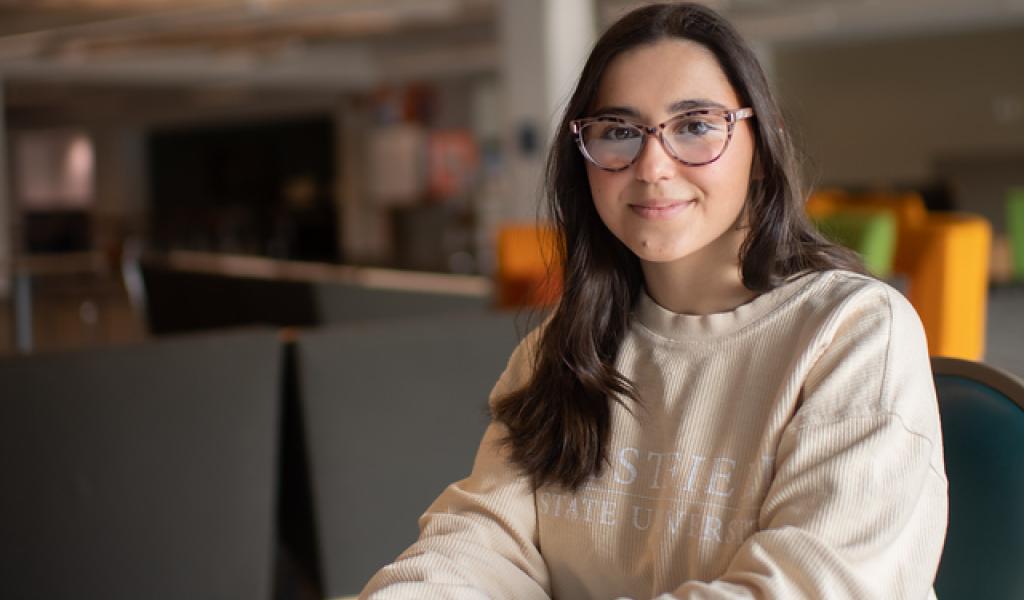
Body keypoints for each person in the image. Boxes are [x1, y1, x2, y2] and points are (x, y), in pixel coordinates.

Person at [361, 2, 948, 598]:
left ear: (761, 149)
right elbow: (481, 546)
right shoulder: (561, 350)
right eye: (618, 131)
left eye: (694, 125)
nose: (652, 166)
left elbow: (814, 587)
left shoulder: (852, 333)